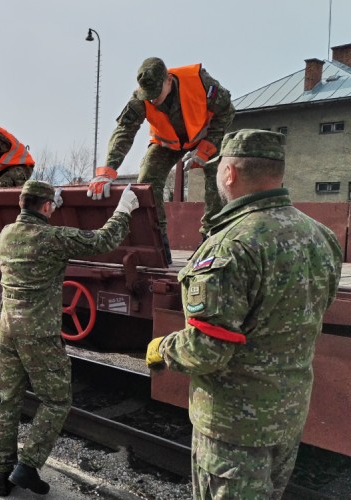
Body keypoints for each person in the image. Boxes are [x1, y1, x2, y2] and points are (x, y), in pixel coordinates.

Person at [145, 130, 343, 499]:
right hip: (287, 414)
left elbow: (208, 349)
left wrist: (163, 347)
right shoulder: (320, 235)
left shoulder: (231, 245)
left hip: (234, 428)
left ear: (230, 174)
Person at [0, 180, 139, 496]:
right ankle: (28, 465)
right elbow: (102, 241)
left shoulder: (6, 233)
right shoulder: (52, 237)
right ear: (47, 207)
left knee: (8, 399)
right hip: (39, 332)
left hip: (7, 327)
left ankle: (2, 474)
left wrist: (48, 209)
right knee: (57, 400)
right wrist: (124, 210)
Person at [88, 57, 235, 263]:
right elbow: (124, 131)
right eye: (148, 97)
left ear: (168, 80)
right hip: (168, 143)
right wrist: (107, 171)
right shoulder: (141, 99)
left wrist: (205, 149)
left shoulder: (201, 82)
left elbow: (227, 110)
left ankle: (210, 237)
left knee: (216, 175)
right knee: (147, 176)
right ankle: (157, 239)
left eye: (156, 95)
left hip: (204, 136)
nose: (152, 101)